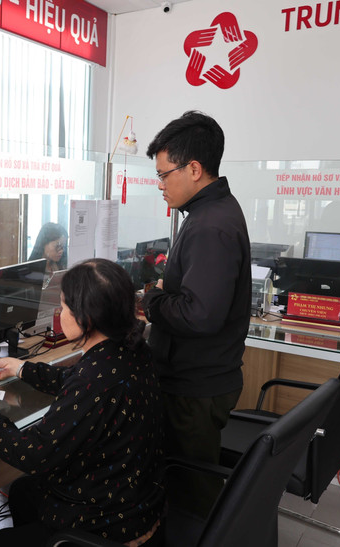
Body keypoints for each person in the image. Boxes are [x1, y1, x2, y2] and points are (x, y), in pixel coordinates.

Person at [0, 259, 164, 547]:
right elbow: (75, 378)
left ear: (87, 318)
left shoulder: (95, 379)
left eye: (65, 306)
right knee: (21, 491)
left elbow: (34, 455)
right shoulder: (130, 349)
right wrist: (22, 368)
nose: (60, 312)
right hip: (133, 499)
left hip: (103, 523)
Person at [142, 110, 252, 517]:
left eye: (163, 174)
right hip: (200, 379)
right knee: (189, 488)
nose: (160, 185)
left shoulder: (210, 226)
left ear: (193, 168)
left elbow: (199, 315)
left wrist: (152, 301)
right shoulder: (211, 212)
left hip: (194, 390)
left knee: (191, 499)